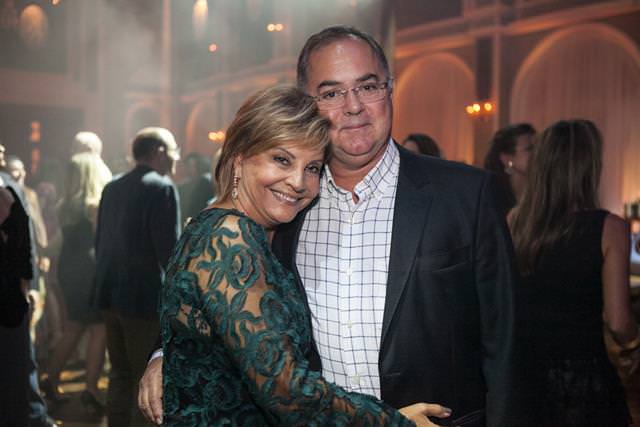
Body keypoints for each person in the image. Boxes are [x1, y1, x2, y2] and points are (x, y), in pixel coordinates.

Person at [140, 26, 523, 427]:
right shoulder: (283, 209)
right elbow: (214, 297)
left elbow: (508, 344)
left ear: (390, 89)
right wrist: (165, 354)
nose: (353, 106)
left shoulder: (466, 194)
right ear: (306, 105)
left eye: (368, 86)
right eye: (332, 93)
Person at [159, 84, 450, 426]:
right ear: (239, 158)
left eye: (312, 168)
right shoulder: (229, 236)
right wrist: (393, 422)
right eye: (281, 159)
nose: (298, 182)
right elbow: (284, 388)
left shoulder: (234, 229)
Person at [509, 119, 639, 426]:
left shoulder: (515, 222)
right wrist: (635, 345)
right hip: (583, 379)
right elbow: (618, 321)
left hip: (524, 376)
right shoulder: (609, 228)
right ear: (587, 167)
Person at [94, 127, 181, 427]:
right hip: (143, 298)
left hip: (109, 294)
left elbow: (100, 242)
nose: (176, 157)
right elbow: (169, 252)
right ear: (159, 151)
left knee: (119, 374)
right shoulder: (161, 187)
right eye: (174, 150)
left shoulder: (112, 186)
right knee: (147, 380)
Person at [41, 152, 112, 415]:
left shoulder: (65, 205)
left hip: (69, 270)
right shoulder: (94, 205)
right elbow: (101, 240)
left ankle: (51, 379)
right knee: (99, 329)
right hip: (89, 270)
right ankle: (91, 390)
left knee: (73, 327)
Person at [483, 123, 536, 217]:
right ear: (506, 159)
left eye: (539, 147)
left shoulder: (544, 193)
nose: (538, 153)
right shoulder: (494, 200)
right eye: (530, 149)